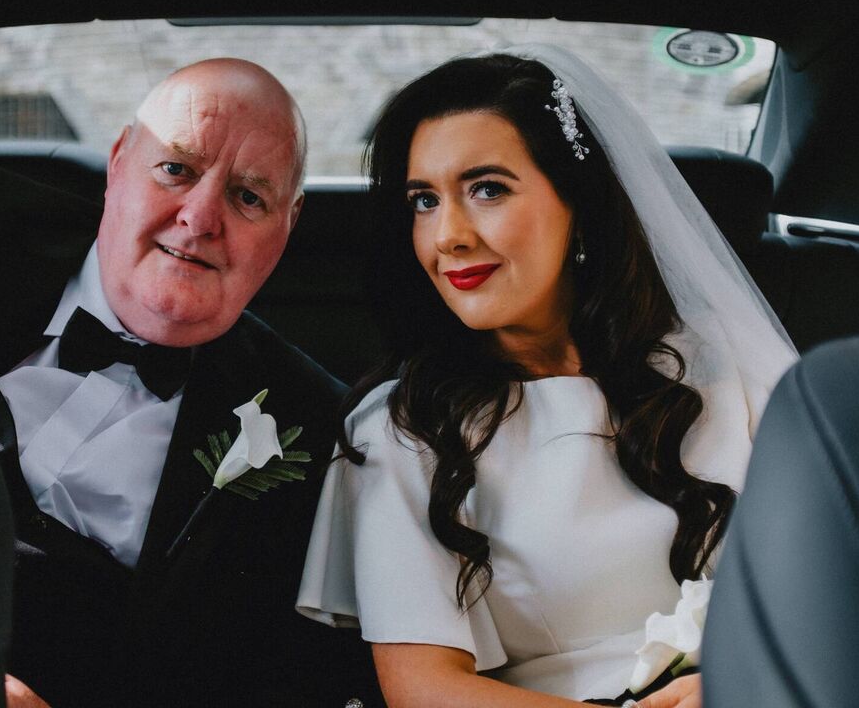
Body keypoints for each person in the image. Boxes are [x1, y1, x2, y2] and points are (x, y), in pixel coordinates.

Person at [0, 58, 381, 708]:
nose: (200, 217)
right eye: (176, 169)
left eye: (248, 196)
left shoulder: (310, 424)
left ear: (286, 228)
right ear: (119, 162)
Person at [295, 46, 799, 708]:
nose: (448, 235)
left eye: (487, 189)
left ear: (578, 207)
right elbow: (424, 690)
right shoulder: (403, 430)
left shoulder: (725, 365)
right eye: (423, 200)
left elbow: (836, 579)